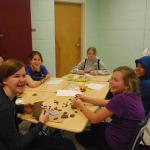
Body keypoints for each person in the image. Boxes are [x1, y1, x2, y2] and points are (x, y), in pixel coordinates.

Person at [0, 59, 76, 150]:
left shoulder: (7, 95)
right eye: (16, 76)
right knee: (68, 145)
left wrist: (22, 108)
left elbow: (9, 111)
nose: (22, 80)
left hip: (12, 139)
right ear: (4, 80)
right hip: (15, 145)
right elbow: (17, 146)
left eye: (24, 76)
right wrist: (40, 124)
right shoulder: (5, 108)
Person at [73, 66, 145, 150]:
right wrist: (85, 98)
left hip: (115, 144)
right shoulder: (133, 93)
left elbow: (94, 119)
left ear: (127, 84)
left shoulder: (120, 99)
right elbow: (107, 102)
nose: (111, 82)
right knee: (95, 126)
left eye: (116, 80)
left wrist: (80, 105)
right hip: (124, 135)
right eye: (111, 79)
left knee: (79, 135)